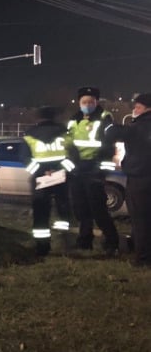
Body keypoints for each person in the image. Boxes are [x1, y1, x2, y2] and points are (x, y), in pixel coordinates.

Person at [65, 86, 119, 255]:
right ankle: (84, 242)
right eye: (84, 102)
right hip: (78, 169)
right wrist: (70, 165)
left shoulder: (104, 118)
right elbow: (68, 143)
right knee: (81, 209)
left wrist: (100, 170)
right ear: (79, 103)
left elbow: (109, 146)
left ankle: (112, 243)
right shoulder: (74, 120)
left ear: (96, 102)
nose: (87, 104)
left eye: (90, 101)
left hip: (94, 168)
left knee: (98, 209)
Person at [105, 93, 151, 267]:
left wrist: (107, 124)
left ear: (147, 108)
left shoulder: (137, 127)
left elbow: (111, 133)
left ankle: (143, 259)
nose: (134, 110)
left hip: (140, 180)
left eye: (137, 107)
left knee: (140, 221)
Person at [23, 106, 74, 256]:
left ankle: (42, 247)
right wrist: (59, 170)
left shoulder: (29, 134)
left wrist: (41, 172)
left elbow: (24, 158)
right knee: (63, 209)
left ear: (38, 118)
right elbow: (73, 156)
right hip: (61, 178)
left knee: (40, 212)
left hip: (41, 180)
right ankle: (65, 242)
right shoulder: (65, 133)